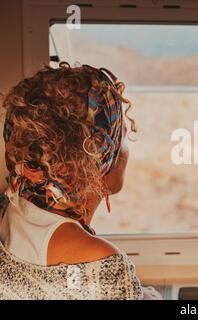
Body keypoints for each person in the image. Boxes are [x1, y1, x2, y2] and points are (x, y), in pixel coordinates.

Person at [0, 62, 161, 300]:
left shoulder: (10, 207)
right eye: (122, 136)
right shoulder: (100, 264)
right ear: (101, 155)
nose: (126, 149)